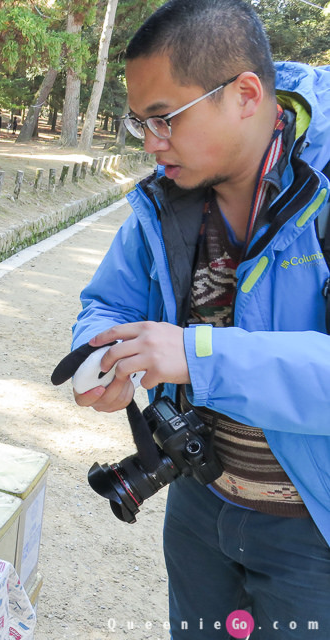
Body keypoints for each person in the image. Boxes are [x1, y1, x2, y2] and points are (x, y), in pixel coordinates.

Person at [70, 0, 330, 636]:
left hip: (312, 534)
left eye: (165, 119)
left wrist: (197, 355)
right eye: (140, 124)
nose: (153, 146)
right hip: (197, 506)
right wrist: (99, 358)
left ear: (245, 94)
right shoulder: (167, 203)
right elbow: (106, 303)